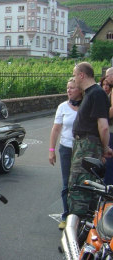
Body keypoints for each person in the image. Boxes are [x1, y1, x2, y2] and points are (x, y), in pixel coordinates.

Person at [67, 62, 113, 218]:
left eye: (74, 74)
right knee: (85, 184)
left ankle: (79, 223)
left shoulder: (96, 93)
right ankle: (85, 223)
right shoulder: (90, 93)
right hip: (83, 144)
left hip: (88, 145)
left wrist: (105, 148)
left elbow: (103, 126)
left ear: (81, 75)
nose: (74, 78)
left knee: (80, 185)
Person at [49, 78, 82, 230]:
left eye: (72, 88)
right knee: (66, 183)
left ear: (80, 90)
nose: (68, 90)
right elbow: (56, 129)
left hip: (82, 150)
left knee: (81, 183)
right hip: (66, 148)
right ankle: (66, 215)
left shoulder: (86, 106)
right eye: (67, 87)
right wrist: (51, 150)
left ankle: (79, 215)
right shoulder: (62, 107)